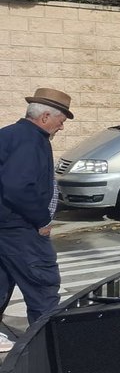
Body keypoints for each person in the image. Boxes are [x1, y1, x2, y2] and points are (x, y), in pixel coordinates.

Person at [0, 88, 73, 352]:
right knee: (43, 285)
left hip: (5, 227)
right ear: (44, 117)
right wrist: (42, 219)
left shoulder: (8, 135)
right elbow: (19, 186)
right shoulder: (31, 141)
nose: (61, 127)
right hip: (20, 228)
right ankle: (48, 348)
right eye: (61, 121)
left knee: (2, 282)